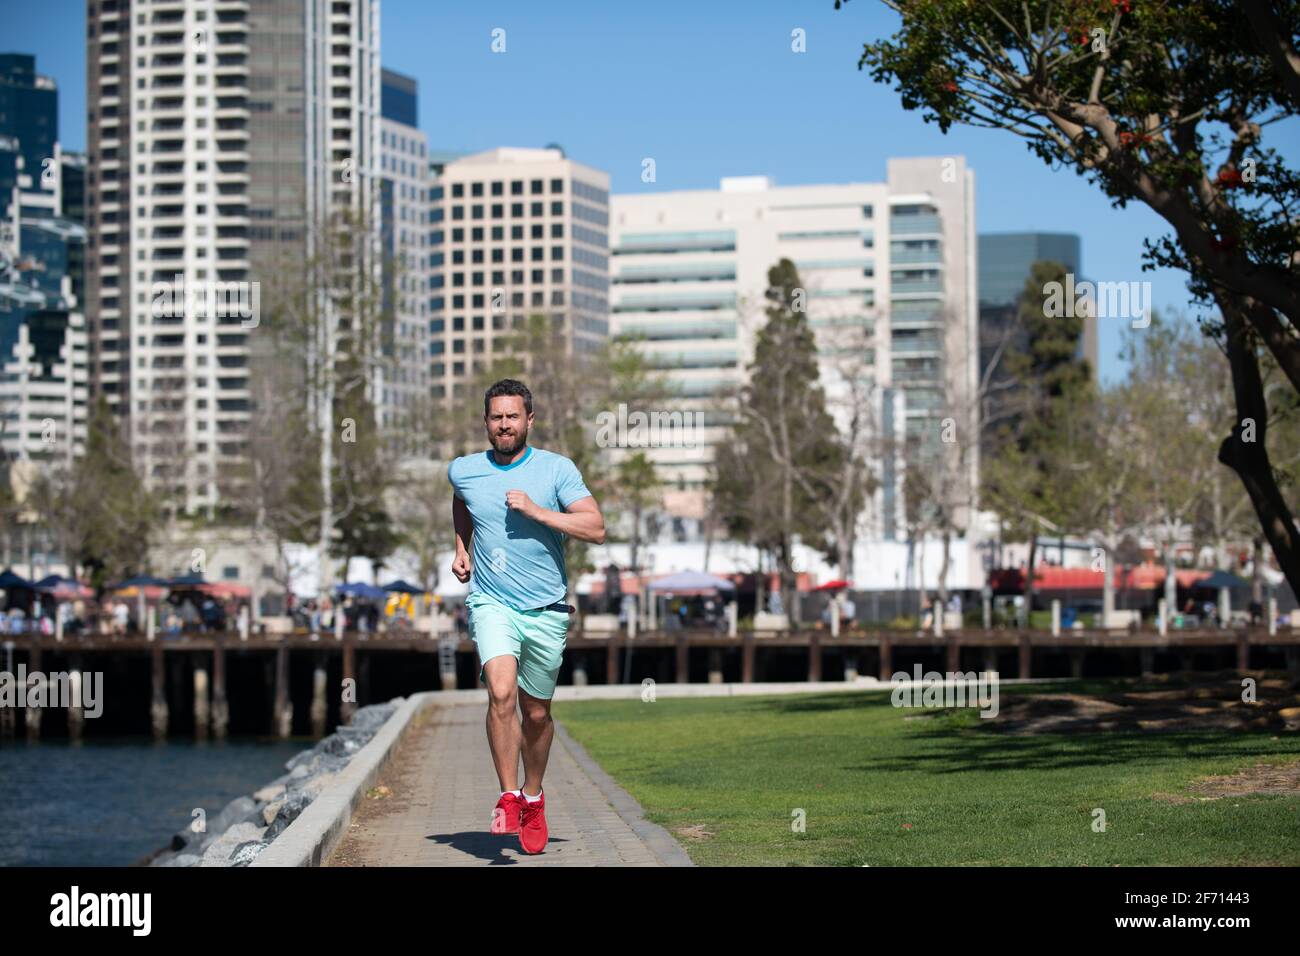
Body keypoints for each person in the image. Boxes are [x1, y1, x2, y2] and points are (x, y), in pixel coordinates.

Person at [449, 379, 605, 856]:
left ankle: (534, 796)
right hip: (492, 602)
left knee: (536, 712)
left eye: (512, 417)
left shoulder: (557, 470)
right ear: (486, 421)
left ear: (529, 420)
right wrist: (461, 547)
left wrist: (539, 512)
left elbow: (595, 528)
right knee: (500, 693)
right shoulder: (464, 470)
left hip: (546, 609)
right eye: (496, 417)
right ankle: (508, 794)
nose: (504, 425)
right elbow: (463, 502)